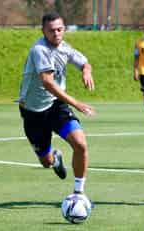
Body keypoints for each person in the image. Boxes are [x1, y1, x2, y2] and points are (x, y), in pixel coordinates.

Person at [18, 12, 95, 196]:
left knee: (81, 144)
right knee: (46, 161)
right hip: (33, 112)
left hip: (56, 106)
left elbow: (85, 62)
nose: (56, 34)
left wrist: (86, 71)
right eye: (52, 30)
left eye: (60, 29)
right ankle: (55, 159)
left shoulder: (65, 48)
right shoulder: (39, 50)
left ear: (64, 29)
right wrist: (77, 103)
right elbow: (48, 83)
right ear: (43, 31)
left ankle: (78, 193)